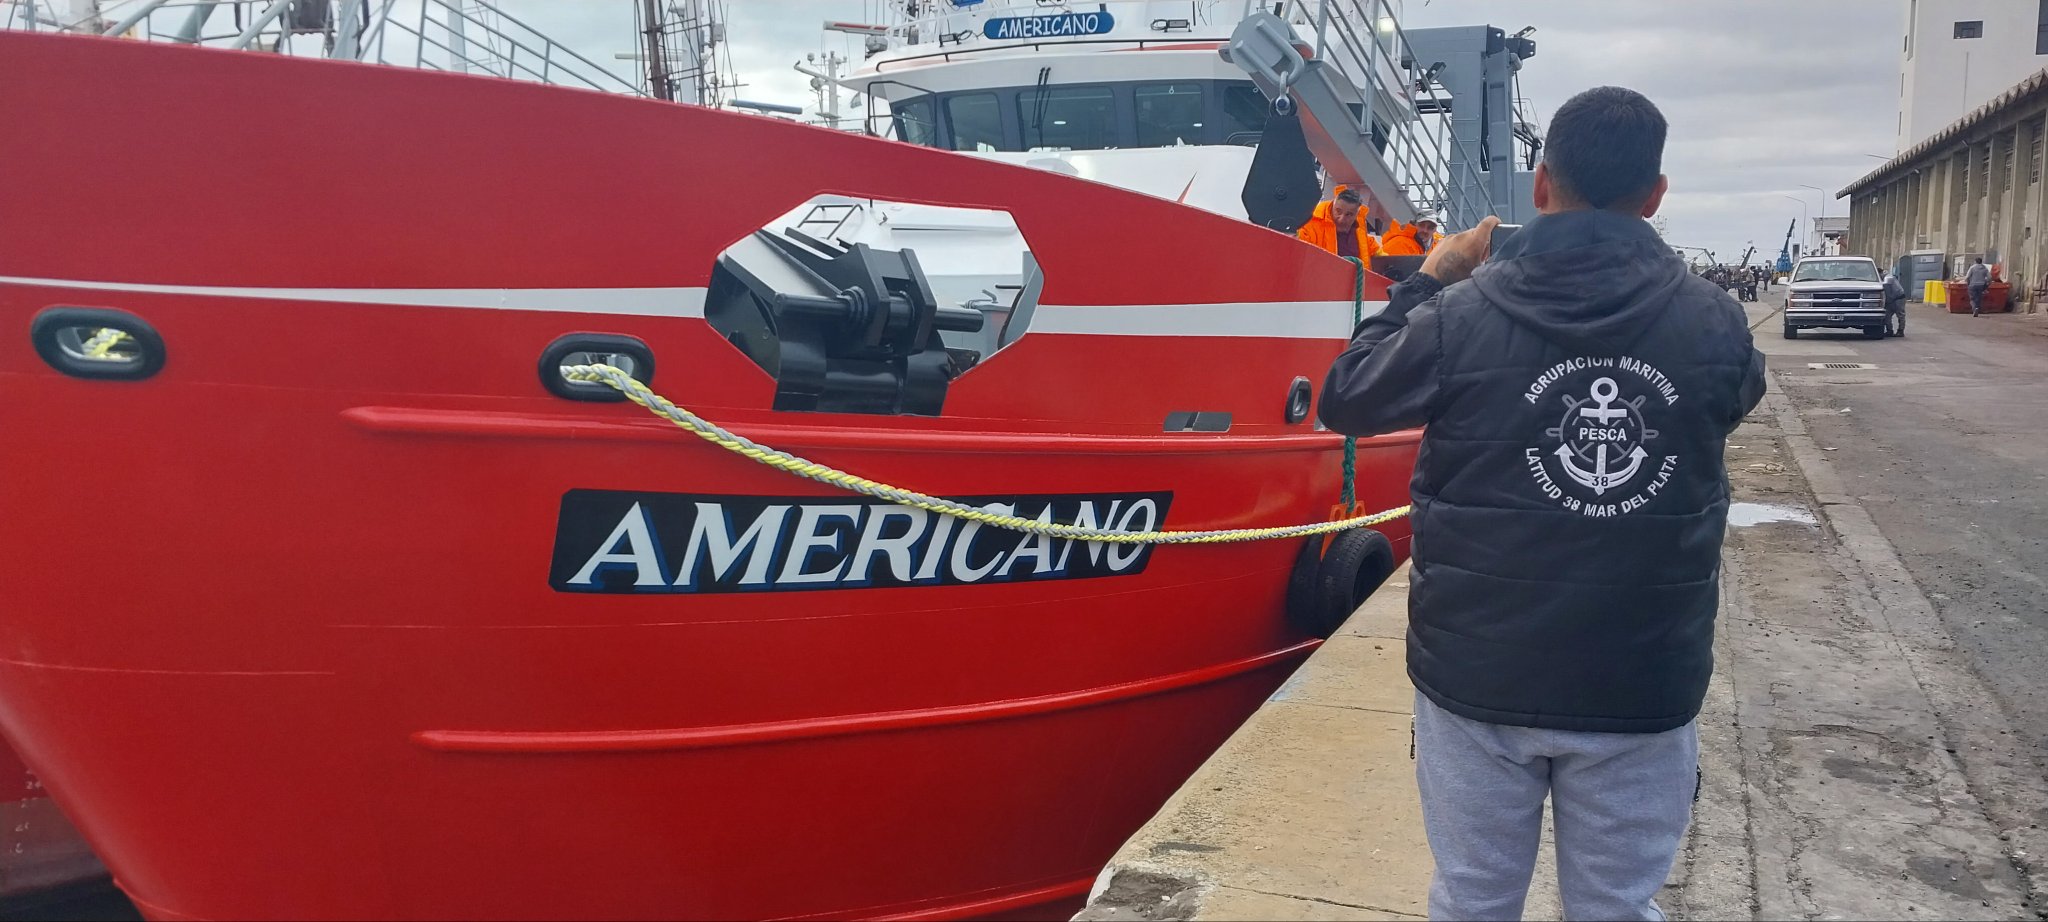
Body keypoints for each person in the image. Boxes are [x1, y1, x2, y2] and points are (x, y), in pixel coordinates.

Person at [1318, 86, 1766, 922]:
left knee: (1474, 902)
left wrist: (1426, 281)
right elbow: (1731, 402)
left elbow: (1348, 398)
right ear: (1656, 196)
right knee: (1616, 907)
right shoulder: (1714, 322)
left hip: (1479, 676)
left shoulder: (1458, 314)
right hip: (1641, 679)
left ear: (1540, 185)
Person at [1296, 185, 1381, 260]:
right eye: (1338, 211)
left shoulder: (1362, 237)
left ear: (1357, 215)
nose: (1341, 219)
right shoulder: (1308, 226)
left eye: (1349, 214)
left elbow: (1382, 258)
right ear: (1332, 206)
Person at [1883, 267, 1908, 337]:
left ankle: (1900, 331)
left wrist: (1886, 303)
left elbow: (1888, 293)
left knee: (1900, 315)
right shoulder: (1889, 276)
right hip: (1897, 298)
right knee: (1888, 316)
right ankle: (1891, 331)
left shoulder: (1887, 279)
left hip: (1898, 299)